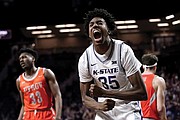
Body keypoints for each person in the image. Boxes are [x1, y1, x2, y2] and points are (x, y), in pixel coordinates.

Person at [78, 8, 148, 120]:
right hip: (104, 112)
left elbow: (141, 93)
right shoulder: (85, 58)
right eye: (91, 25)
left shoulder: (123, 50)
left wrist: (106, 93)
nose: (95, 26)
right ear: (89, 34)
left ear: (109, 29)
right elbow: (85, 98)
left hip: (128, 109)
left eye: (100, 23)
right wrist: (99, 105)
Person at [16, 47, 62, 120]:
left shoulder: (46, 73)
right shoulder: (19, 80)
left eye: (24, 57)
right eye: (20, 59)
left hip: (46, 114)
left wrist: (58, 116)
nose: (21, 60)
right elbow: (24, 104)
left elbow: (57, 95)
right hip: (28, 116)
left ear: (33, 59)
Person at [140, 53, 167, 120]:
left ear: (143, 67)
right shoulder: (158, 81)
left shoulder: (135, 80)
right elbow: (160, 108)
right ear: (155, 67)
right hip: (151, 117)